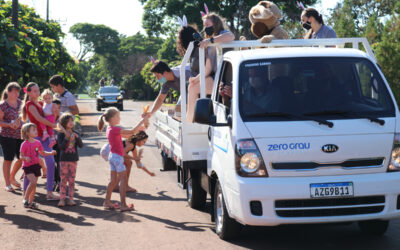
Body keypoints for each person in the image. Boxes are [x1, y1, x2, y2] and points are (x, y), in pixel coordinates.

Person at [97, 107, 148, 211]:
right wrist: (142, 120)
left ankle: (107, 202)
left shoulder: (110, 129)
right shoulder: (115, 129)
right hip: (118, 158)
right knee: (123, 181)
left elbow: (130, 133)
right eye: (118, 116)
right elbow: (132, 131)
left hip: (112, 156)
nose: (119, 117)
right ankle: (123, 205)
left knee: (113, 181)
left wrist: (139, 128)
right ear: (111, 118)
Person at [186, 12, 235, 122]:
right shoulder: (208, 43)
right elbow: (207, 69)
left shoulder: (221, 34)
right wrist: (196, 79)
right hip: (216, 77)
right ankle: (189, 120)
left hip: (225, 79)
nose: (205, 28)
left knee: (193, 88)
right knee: (191, 86)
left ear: (216, 24)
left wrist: (210, 41)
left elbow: (231, 36)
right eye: (204, 25)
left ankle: (189, 123)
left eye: (207, 25)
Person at [22, 82, 59, 200]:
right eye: (34, 91)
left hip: (45, 137)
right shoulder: (29, 104)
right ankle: (25, 194)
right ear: (28, 92)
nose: (37, 93)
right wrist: (53, 125)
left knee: (51, 162)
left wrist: (55, 112)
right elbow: (39, 118)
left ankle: (49, 192)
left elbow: (51, 113)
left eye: (38, 90)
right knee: (31, 165)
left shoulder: (41, 103)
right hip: (35, 138)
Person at [20, 123, 57, 209]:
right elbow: (21, 156)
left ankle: (31, 202)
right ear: (27, 133)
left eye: (36, 129)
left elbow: (42, 153)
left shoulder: (38, 142)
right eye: (33, 130)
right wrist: (25, 158)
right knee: (33, 182)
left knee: (34, 184)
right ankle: (25, 199)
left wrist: (51, 153)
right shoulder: (24, 144)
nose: (36, 131)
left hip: (36, 166)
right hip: (27, 167)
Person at [0, 82, 23, 191]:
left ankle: (12, 176)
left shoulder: (21, 103)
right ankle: (8, 184)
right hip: (7, 136)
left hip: (21, 135)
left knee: (22, 158)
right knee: (8, 160)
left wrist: (21, 123)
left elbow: (25, 117)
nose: (17, 94)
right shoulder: (2, 105)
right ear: (8, 92)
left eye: (18, 92)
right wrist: (9, 124)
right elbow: (0, 121)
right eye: (14, 92)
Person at [57, 113, 83, 207]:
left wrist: (78, 138)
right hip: (64, 160)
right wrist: (66, 139)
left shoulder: (76, 133)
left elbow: (80, 145)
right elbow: (61, 147)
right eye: (68, 121)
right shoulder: (61, 134)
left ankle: (71, 198)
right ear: (64, 123)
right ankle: (62, 199)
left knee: (72, 180)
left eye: (72, 120)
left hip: (73, 159)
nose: (71, 122)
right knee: (63, 179)